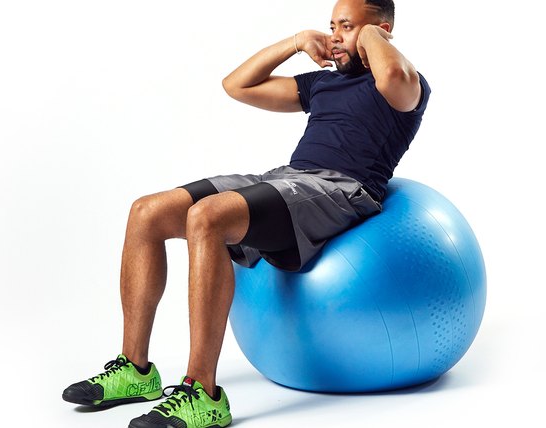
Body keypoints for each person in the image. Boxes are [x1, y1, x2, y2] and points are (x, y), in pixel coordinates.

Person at [62, 0, 430, 427]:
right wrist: (296, 42)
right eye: (331, 25)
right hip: (286, 178)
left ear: (382, 31)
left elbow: (393, 74)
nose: (334, 36)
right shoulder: (321, 84)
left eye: (345, 26)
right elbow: (236, 85)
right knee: (146, 212)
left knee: (207, 217)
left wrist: (368, 35)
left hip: (339, 190)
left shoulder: (405, 84)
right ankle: (135, 369)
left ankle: (203, 394)